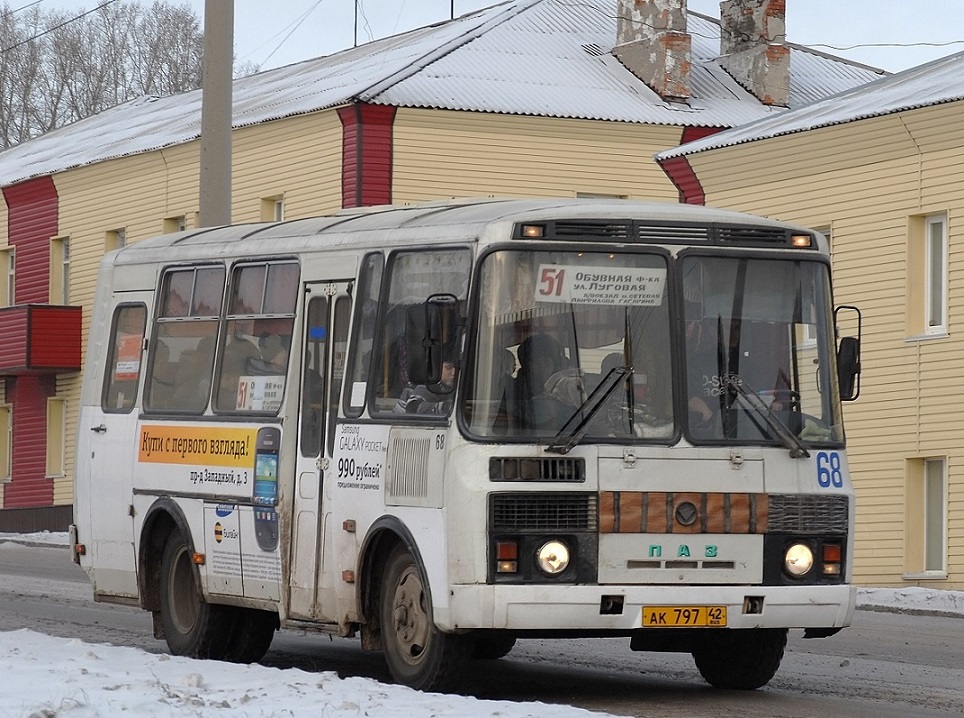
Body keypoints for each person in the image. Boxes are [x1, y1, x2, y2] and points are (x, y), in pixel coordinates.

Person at [394, 351, 458, 415]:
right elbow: (413, 407)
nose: (454, 373)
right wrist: (450, 407)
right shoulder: (427, 385)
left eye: (458, 369)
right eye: (448, 368)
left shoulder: (452, 388)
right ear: (436, 368)